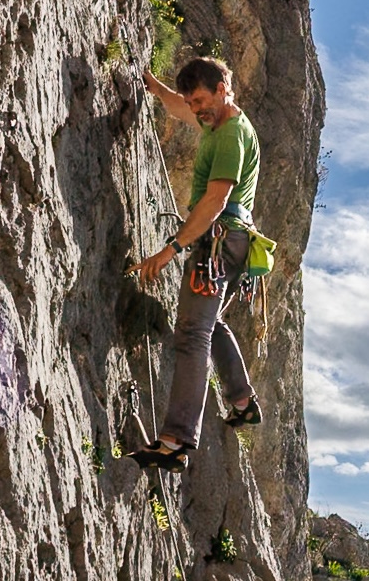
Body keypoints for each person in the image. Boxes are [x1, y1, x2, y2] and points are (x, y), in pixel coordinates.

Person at [126, 57, 263, 473]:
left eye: (201, 99)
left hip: (217, 242)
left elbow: (216, 200)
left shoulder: (230, 135)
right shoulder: (217, 121)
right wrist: (154, 86)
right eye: (192, 101)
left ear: (223, 89)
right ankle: (242, 401)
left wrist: (171, 249)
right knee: (209, 323)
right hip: (233, 243)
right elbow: (179, 107)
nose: (196, 108)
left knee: (191, 334)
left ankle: (175, 442)